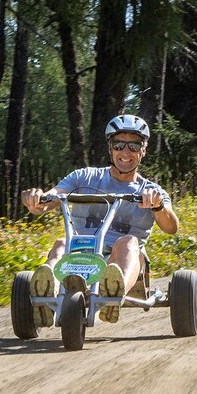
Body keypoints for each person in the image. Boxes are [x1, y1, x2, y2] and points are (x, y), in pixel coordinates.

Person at [20, 114, 179, 325]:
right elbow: (51, 198)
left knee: (128, 242)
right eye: (119, 144)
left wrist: (157, 206)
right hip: (80, 254)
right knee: (61, 244)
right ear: (110, 147)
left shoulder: (151, 191)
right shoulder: (84, 177)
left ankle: (113, 290)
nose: (125, 152)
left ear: (143, 149)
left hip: (121, 258)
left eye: (134, 146)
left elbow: (171, 227)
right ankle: (47, 294)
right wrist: (35, 199)